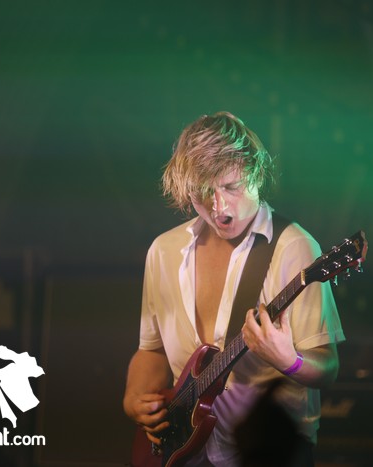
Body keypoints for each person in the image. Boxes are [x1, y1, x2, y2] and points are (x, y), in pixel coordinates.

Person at [123, 111, 345, 466]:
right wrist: (135, 399)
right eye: (202, 193)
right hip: (184, 451)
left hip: (267, 452)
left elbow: (327, 368)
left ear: (256, 174)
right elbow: (152, 349)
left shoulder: (294, 247)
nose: (219, 208)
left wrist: (288, 360)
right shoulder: (163, 250)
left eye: (231, 187)